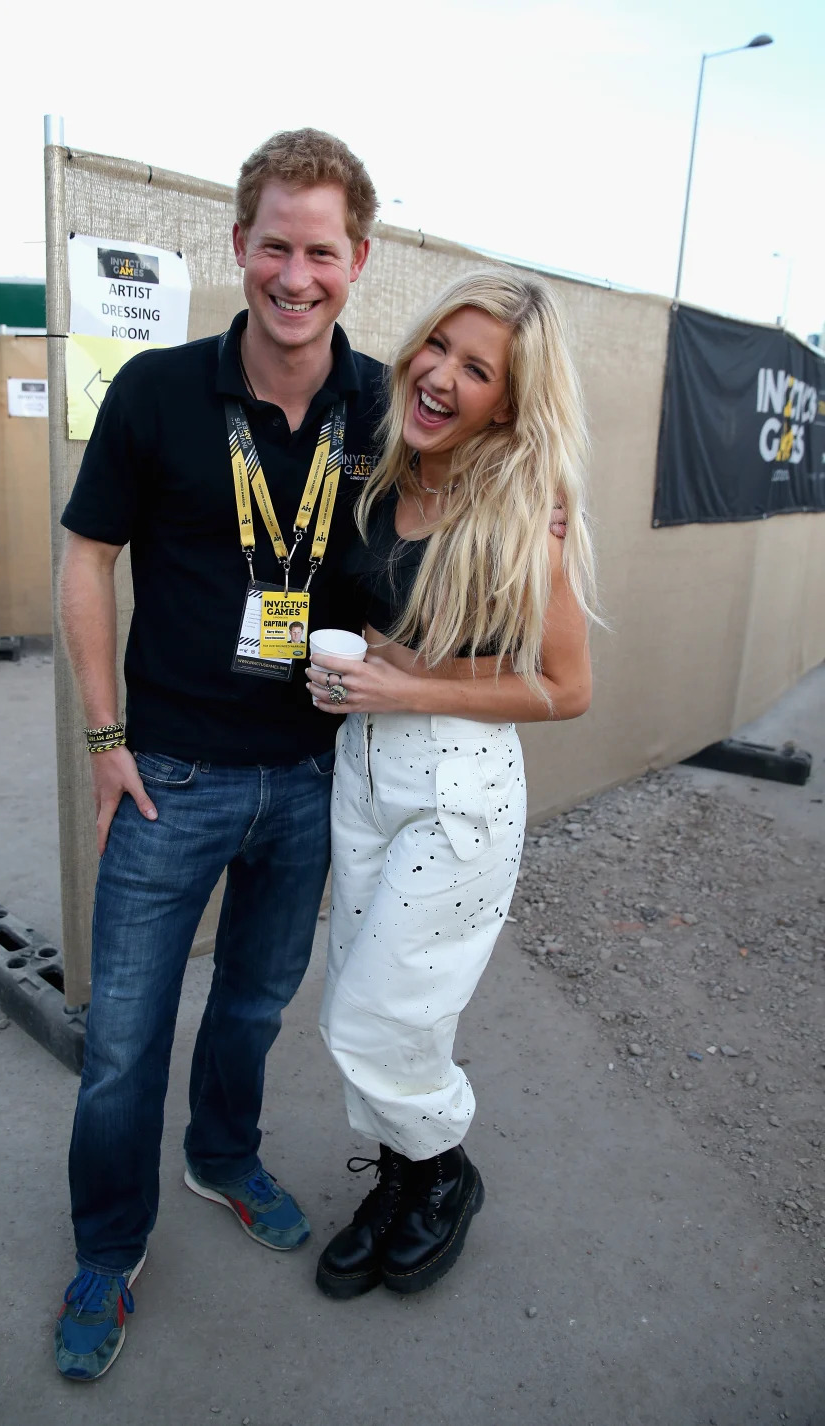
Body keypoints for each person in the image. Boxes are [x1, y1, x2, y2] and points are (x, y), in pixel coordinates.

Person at [53, 128, 384, 1381]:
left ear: (358, 257)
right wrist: (104, 738)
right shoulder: (154, 390)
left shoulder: (385, 406)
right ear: (237, 246)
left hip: (310, 776)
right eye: (274, 247)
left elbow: (464, 522)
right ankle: (106, 1245)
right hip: (169, 775)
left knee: (252, 1001)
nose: (295, 276)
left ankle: (224, 1155)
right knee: (126, 1036)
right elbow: (88, 556)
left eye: (321, 250)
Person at [305, 268, 596, 1299]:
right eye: (438, 346)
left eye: (477, 369)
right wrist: (360, 667)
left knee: (368, 1017)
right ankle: (397, 1178)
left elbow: (565, 687)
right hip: (364, 766)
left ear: (510, 403)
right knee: (383, 1001)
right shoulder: (384, 469)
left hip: (457, 782)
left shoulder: (528, 507)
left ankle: (445, 1172)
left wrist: (413, 678)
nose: (439, 375)